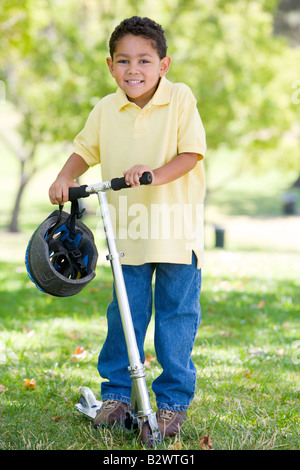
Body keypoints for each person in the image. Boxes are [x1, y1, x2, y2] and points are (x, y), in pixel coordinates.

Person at [49, 16, 206, 439]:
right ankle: (118, 394)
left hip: (175, 232)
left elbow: (191, 154)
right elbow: (85, 149)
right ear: (110, 65)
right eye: (123, 61)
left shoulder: (180, 99)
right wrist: (66, 177)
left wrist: (152, 173)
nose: (133, 69)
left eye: (144, 60)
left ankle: (173, 403)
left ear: (163, 65)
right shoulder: (105, 108)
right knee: (124, 316)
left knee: (176, 317)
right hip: (127, 235)